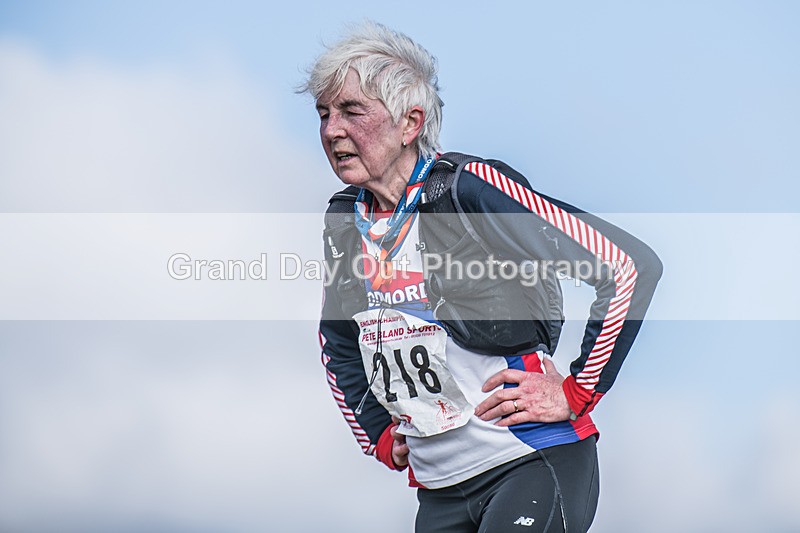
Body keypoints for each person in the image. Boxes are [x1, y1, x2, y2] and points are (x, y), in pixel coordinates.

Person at [301, 21, 661, 532]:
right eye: (323, 113)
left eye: (351, 111)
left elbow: (628, 266)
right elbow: (337, 336)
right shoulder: (346, 219)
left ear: (410, 123)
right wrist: (377, 432)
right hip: (440, 492)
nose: (332, 129)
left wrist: (576, 391)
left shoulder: (468, 189)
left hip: (528, 463)